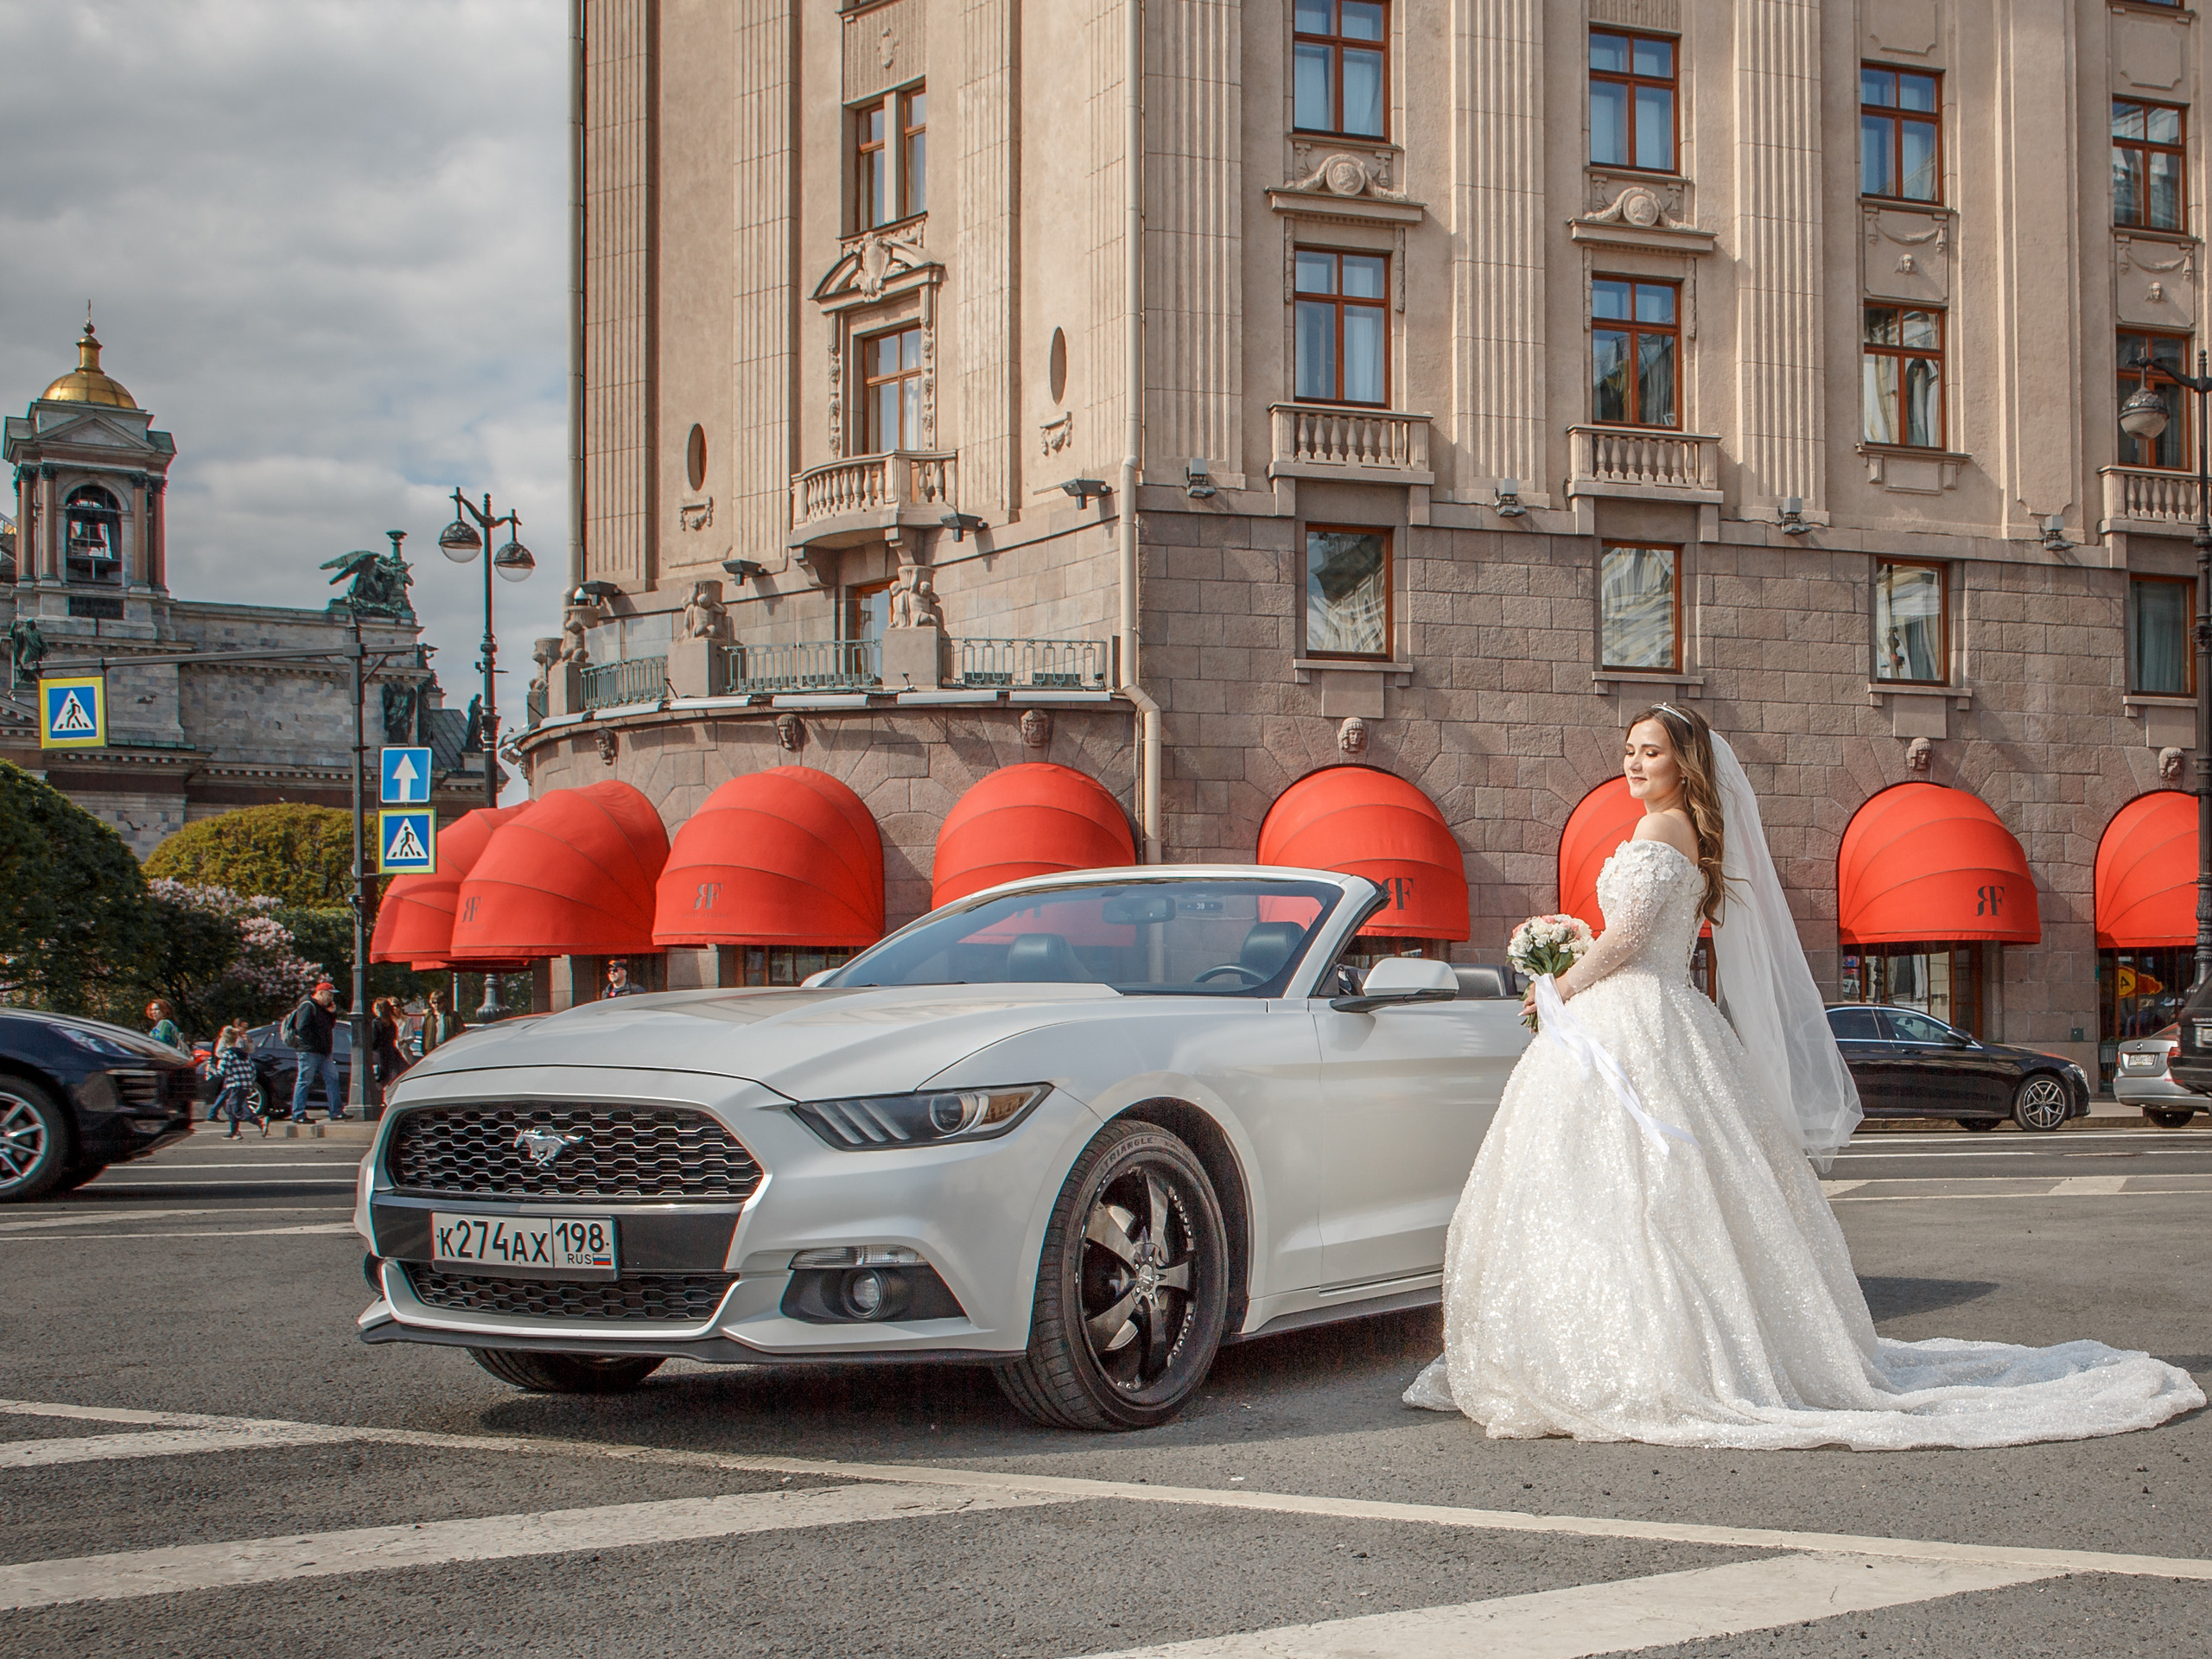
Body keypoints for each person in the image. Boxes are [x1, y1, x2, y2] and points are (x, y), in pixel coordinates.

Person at [1406, 703, 2203, 1449]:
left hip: (1636, 1010)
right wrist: (1575, 964)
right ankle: (1650, 1338)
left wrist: (1560, 984)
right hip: (1654, 1015)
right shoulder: (1682, 829)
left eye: (1650, 752)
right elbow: (1636, 933)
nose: (1634, 763)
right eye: (1629, 751)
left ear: (1683, 764)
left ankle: (1629, 1352)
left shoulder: (1661, 825)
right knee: (1650, 1186)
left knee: (1631, 1186)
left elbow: (1629, 938)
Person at [284, 981, 346, 1122]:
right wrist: (314, 1041)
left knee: (333, 1078)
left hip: (323, 1051)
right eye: (329, 995)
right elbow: (302, 1027)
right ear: (321, 993)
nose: (331, 999)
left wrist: (332, 1014)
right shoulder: (308, 1006)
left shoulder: (322, 1009)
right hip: (309, 1050)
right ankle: (298, 1113)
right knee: (304, 1080)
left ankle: (336, 1111)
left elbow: (329, 1026)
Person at [209, 1018, 266, 1138]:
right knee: (231, 1106)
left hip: (235, 1085)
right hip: (245, 1085)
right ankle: (234, 1131)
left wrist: (213, 1071)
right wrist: (250, 1082)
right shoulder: (244, 1054)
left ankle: (259, 1121)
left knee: (235, 1110)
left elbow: (223, 1071)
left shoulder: (227, 1054)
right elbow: (252, 1069)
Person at [369, 996, 406, 1105]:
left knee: (380, 1080)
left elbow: (374, 1041)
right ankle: (389, 1101)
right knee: (390, 1079)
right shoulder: (391, 1024)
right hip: (391, 1053)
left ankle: (380, 1101)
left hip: (380, 1055)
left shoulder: (376, 1023)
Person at [419, 988, 458, 1055]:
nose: (436, 1005)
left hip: (448, 1050)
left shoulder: (452, 1016)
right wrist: (425, 1050)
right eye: (434, 1003)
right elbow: (425, 1035)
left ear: (443, 1002)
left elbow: (461, 1032)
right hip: (432, 1050)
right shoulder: (428, 1018)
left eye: (439, 1003)